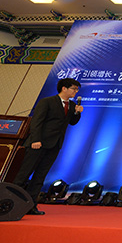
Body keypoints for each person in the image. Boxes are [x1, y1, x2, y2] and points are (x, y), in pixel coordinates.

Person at [13, 78, 83, 215]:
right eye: (74, 88)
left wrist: (77, 112)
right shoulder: (47, 101)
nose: (76, 91)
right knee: (24, 175)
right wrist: (36, 139)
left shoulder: (71, 105)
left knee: (40, 176)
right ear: (64, 88)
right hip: (38, 143)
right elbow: (37, 122)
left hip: (55, 145)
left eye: (77, 89)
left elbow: (72, 122)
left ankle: (30, 206)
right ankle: (11, 204)